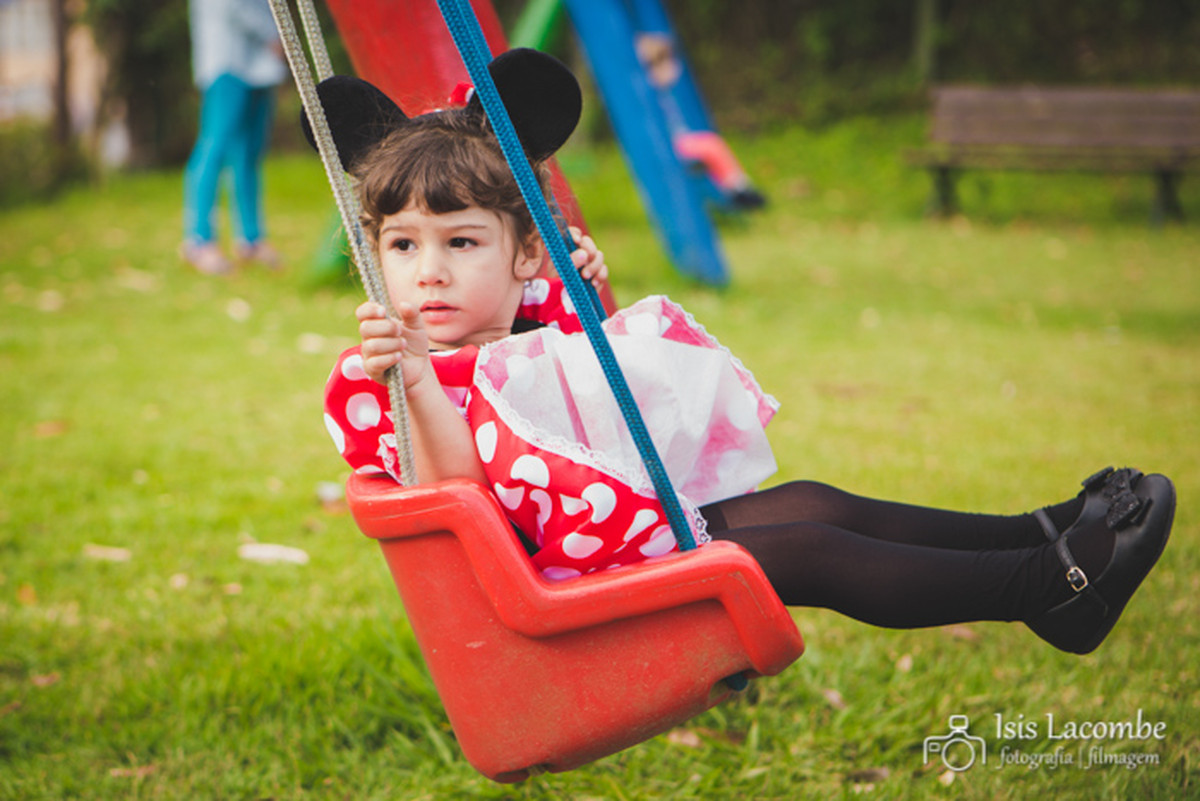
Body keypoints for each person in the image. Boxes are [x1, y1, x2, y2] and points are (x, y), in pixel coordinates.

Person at [319, 50, 1175, 656]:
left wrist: (589, 301)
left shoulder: (525, 314)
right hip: (563, 593)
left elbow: (594, 406)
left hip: (631, 537)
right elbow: (456, 490)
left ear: (526, 253)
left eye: (462, 242)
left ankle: (1039, 534)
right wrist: (416, 380)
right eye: (402, 245)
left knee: (819, 504)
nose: (428, 273)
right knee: (814, 553)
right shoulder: (389, 375)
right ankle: (1051, 589)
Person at [182, 0, 288, 274]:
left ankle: (251, 240)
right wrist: (275, 36)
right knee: (214, 148)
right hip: (227, 63)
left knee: (249, 153)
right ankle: (199, 240)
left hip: (260, 66)